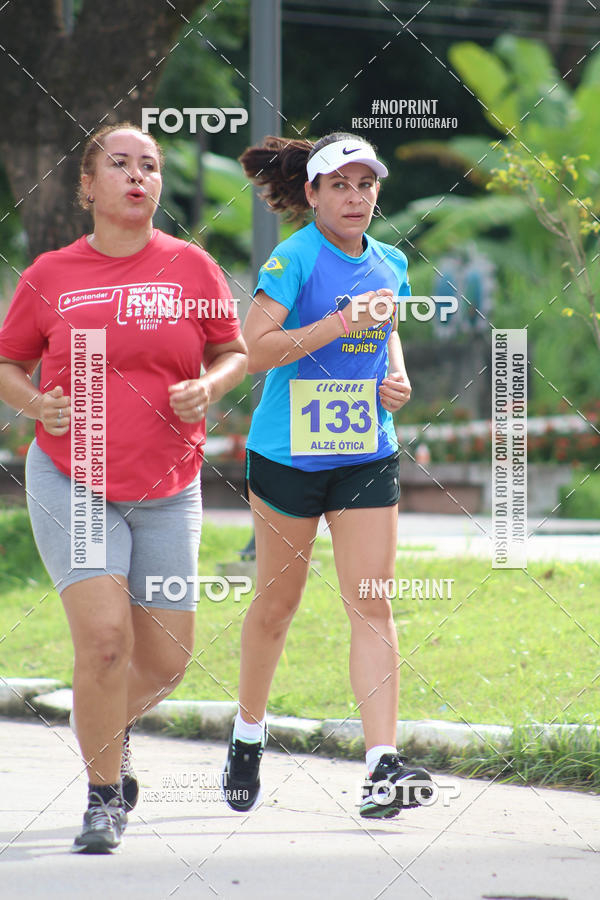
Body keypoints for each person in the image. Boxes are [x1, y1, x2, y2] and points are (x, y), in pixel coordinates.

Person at [0, 123, 247, 852]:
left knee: (167, 662)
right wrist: (34, 403)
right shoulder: (50, 275)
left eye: (150, 165)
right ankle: (104, 798)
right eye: (120, 164)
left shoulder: (192, 267)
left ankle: (110, 726)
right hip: (74, 477)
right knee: (106, 642)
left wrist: (209, 385)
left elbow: (233, 351)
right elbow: (8, 364)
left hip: (169, 486)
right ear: (87, 186)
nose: (138, 176)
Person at [222, 132, 433, 820]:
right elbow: (254, 349)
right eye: (339, 185)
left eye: (365, 184)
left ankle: (382, 766)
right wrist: (338, 323)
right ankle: (247, 732)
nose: (355, 197)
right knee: (276, 608)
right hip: (288, 455)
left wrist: (397, 375)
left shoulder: (391, 262)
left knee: (372, 602)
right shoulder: (295, 257)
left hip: (365, 452)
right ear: (311, 194)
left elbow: (387, 327)